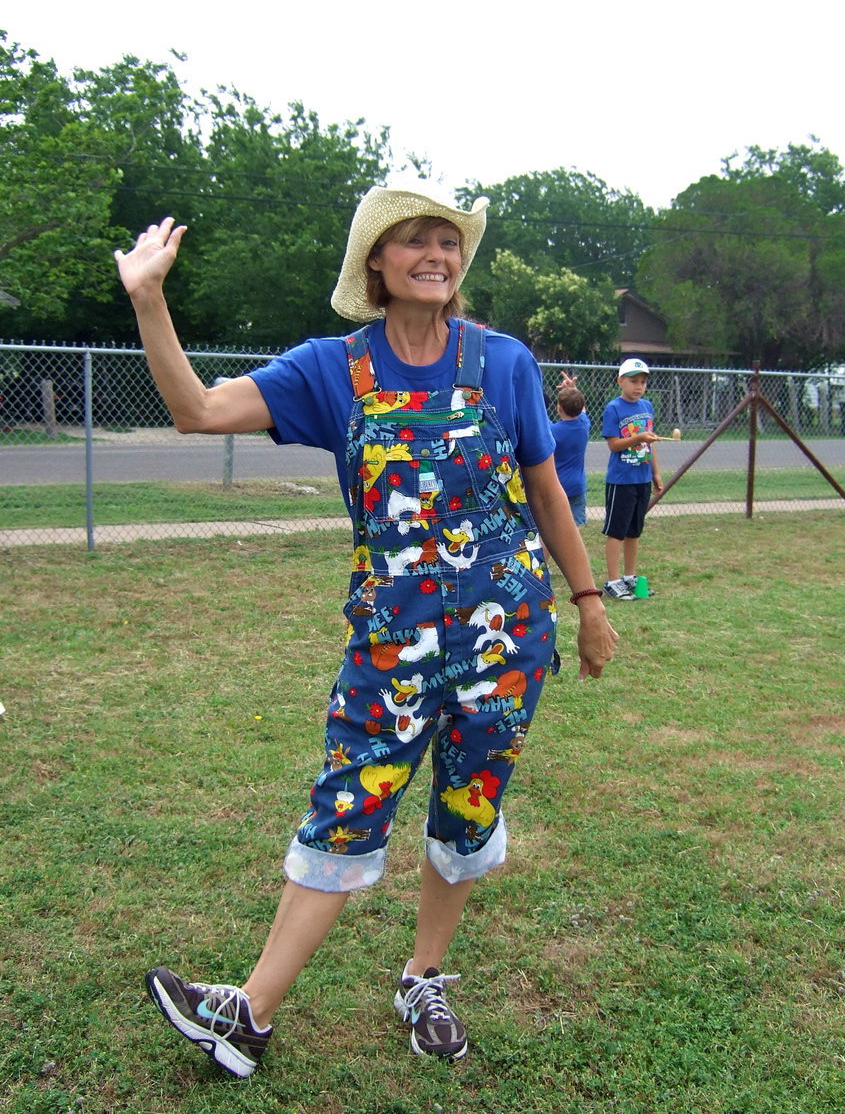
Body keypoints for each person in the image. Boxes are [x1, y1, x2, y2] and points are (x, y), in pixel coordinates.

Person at [114, 185, 619, 1078]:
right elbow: (196, 410)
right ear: (377, 264)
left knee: (469, 808)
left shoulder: (503, 363)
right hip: (392, 644)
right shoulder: (329, 370)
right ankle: (250, 1012)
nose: (437, 253)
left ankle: (424, 976)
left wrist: (587, 602)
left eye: (448, 241)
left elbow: (546, 490)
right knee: (347, 801)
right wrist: (150, 300)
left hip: (507, 641)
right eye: (416, 240)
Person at [600, 358, 663, 600]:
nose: (639, 386)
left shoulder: (647, 406)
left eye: (643, 382)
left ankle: (629, 576)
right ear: (620, 381)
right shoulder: (614, 409)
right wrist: (639, 438)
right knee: (617, 530)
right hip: (621, 479)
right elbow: (614, 445)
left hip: (641, 478)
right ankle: (613, 580)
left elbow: (650, 445)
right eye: (633, 381)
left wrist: (655, 473)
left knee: (634, 531)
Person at [552, 371, 590, 526]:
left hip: (558, 487)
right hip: (577, 486)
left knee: (552, 528)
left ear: (559, 408)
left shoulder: (552, 431)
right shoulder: (584, 426)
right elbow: (583, 411)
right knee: (574, 528)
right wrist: (573, 389)